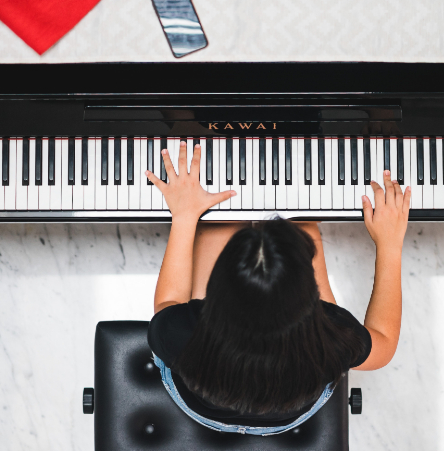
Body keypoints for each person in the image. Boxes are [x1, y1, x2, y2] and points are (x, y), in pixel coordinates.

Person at [146, 141, 409, 435]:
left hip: (204, 407)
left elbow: (167, 302)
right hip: (288, 414)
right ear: (311, 298)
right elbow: (383, 345)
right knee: (303, 224)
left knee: (215, 222)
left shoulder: (182, 333)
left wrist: (184, 216)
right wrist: (390, 244)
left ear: (215, 289)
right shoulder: (331, 338)